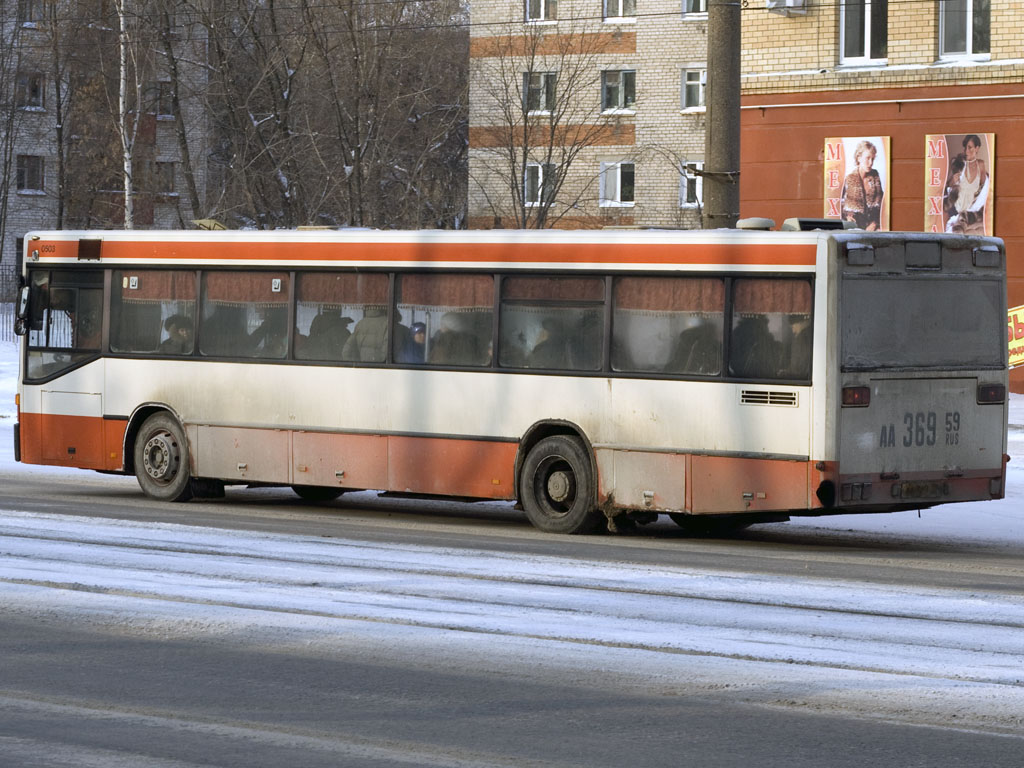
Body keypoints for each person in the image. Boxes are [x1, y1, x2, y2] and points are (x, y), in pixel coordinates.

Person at [946, 134, 989, 235]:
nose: (966, 151)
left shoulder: (981, 165)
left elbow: (984, 188)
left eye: (970, 147)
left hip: (971, 213)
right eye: (965, 147)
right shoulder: (960, 163)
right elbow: (948, 185)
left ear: (977, 148)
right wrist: (953, 180)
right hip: (956, 210)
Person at [840, 140, 883, 231]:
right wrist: (848, 217)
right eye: (867, 158)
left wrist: (875, 223)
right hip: (853, 230)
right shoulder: (849, 179)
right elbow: (841, 206)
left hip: (873, 230)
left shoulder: (876, 178)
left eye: (873, 159)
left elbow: (882, 206)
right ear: (859, 158)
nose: (871, 162)